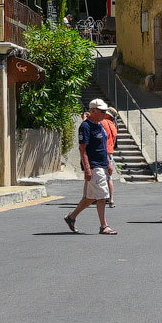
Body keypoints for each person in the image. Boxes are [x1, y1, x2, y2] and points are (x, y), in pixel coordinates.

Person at [65, 99, 116, 234]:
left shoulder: (100, 125)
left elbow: (103, 147)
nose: (105, 114)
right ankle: (104, 226)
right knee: (103, 195)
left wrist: (109, 163)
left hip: (102, 164)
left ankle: (71, 217)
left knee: (90, 197)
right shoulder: (86, 126)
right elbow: (83, 149)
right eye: (102, 111)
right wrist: (87, 168)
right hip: (94, 165)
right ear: (93, 111)